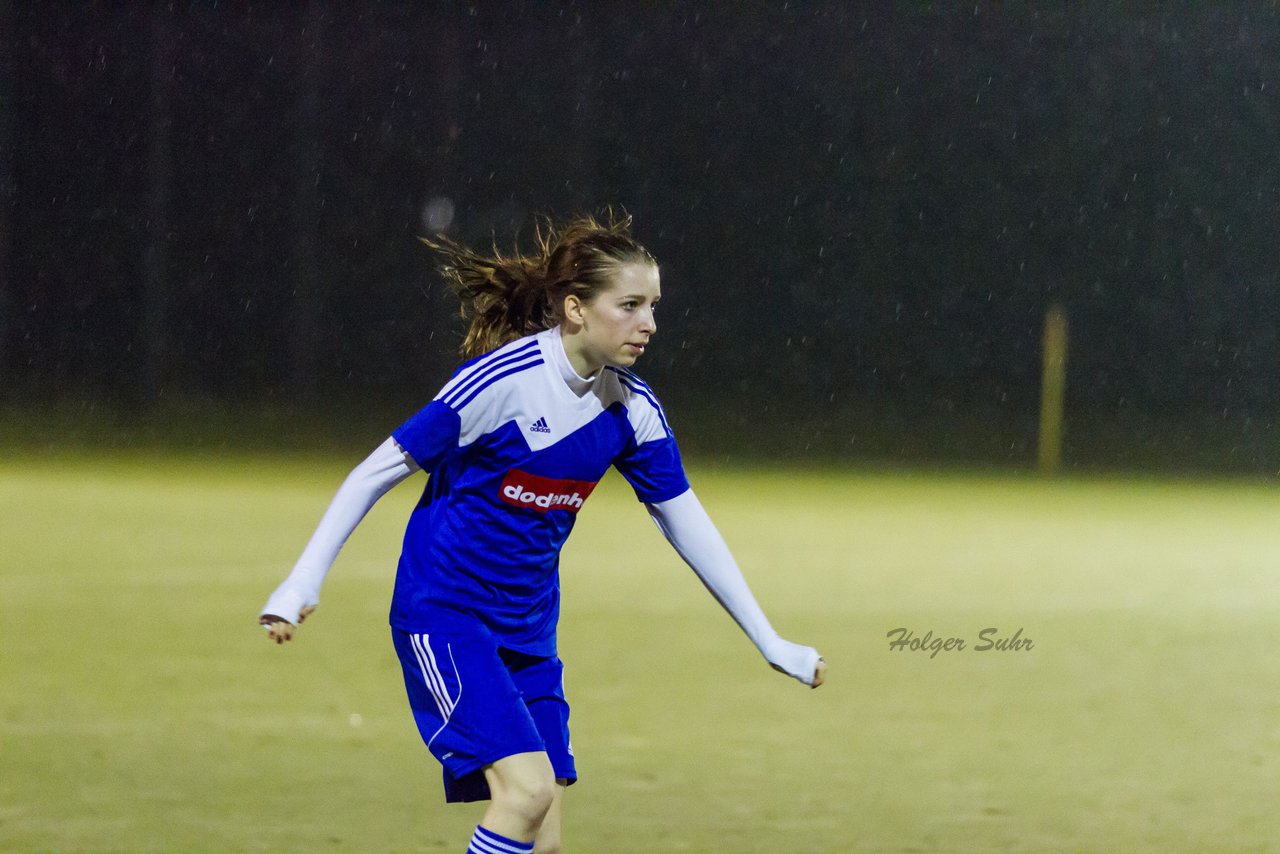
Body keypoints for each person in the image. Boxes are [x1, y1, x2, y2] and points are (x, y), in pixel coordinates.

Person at [259, 211, 825, 854]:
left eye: (654, 306)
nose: (649, 324)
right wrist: (301, 580)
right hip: (445, 615)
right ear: (576, 309)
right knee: (525, 796)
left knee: (544, 838)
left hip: (529, 632)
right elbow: (372, 473)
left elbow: (687, 523)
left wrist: (768, 638)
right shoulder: (502, 384)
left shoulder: (631, 409)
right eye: (631, 305)